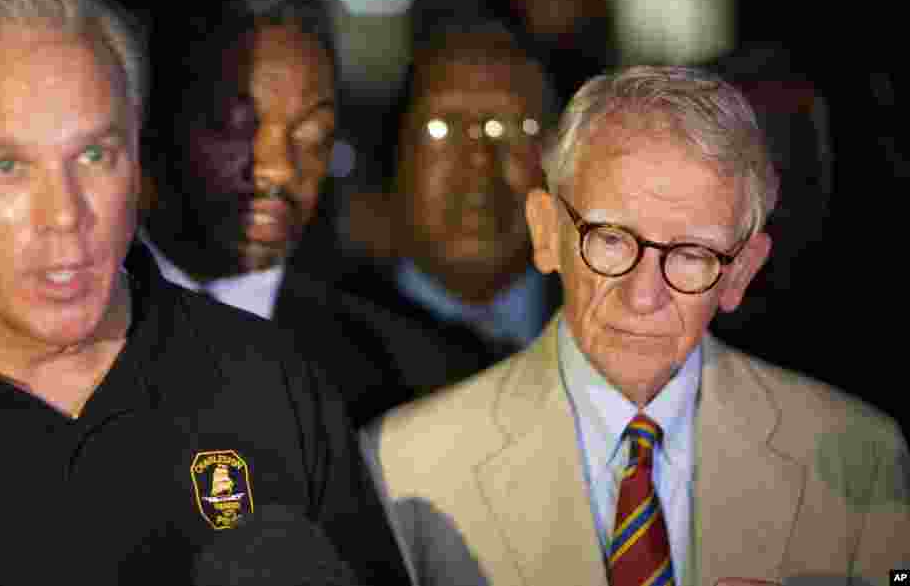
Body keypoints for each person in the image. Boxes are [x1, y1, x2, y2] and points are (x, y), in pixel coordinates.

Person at [0, 0, 410, 585]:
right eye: (8, 167)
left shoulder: (273, 382)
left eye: (93, 156)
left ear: (138, 163)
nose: (64, 215)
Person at [361, 65, 910, 586]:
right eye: (611, 240)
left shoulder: (859, 454)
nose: (643, 296)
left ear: (741, 271)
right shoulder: (404, 465)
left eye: (691, 254)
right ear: (547, 232)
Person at [134, 0, 448, 426]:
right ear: (155, 131)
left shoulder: (407, 370)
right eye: (236, 125)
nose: (278, 166)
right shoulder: (65, 329)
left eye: (312, 131)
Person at [340, 17, 562, 389]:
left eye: (511, 127)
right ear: (394, 156)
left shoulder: (620, 331)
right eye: (441, 129)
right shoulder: (324, 349)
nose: (479, 159)